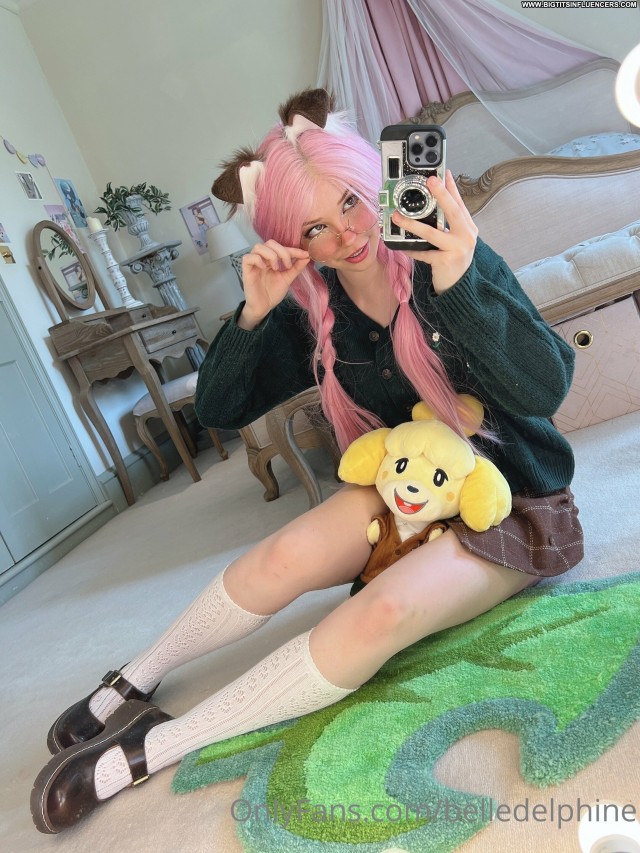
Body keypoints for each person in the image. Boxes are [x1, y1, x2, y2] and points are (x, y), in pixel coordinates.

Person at [31, 88, 584, 834]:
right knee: (283, 553)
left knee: (376, 614)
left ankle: (152, 748)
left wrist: (460, 280)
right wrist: (254, 312)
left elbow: (546, 389)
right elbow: (219, 407)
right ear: (294, 240)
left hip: (509, 502)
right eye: (315, 227)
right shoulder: (313, 313)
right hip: (403, 494)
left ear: (374, 183)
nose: (346, 234)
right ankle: (137, 676)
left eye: (351, 202)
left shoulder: (452, 256)